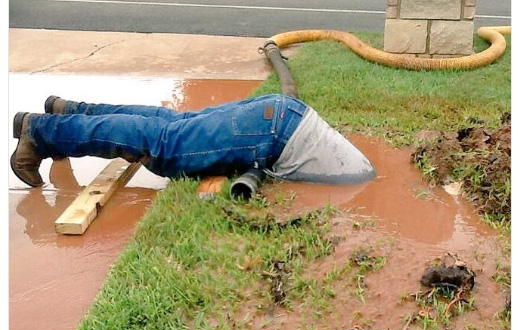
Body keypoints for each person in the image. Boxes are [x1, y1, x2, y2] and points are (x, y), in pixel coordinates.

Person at [11, 94, 376, 188]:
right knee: (164, 144)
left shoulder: (359, 171)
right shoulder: (357, 179)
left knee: (173, 124)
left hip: (283, 116)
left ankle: (70, 110)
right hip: (275, 133)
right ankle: (41, 131)